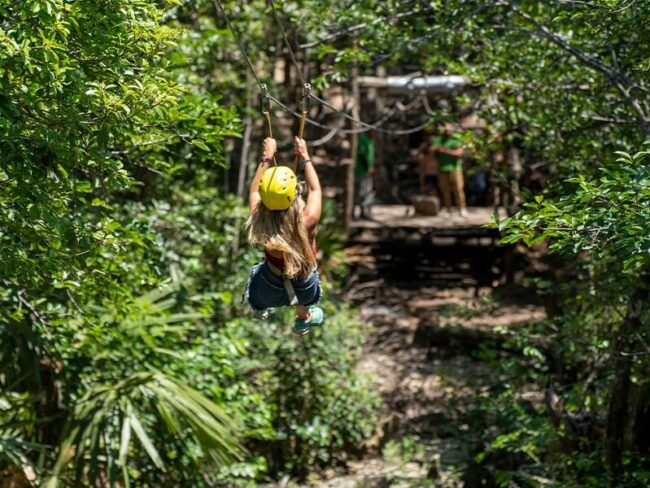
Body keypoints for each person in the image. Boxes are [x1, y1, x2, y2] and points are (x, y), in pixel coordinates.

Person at [244, 136, 324, 336]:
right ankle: (303, 319)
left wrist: (267, 157)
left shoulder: (259, 219)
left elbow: (253, 190)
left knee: (261, 280)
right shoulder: (308, 220)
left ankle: (260, 307)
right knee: (303, 284)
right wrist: (305, 156)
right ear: (295, 192)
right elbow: (315, 189)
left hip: (268, 287)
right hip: (304, 287)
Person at [432, 126, 467, 217]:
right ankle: (447, 208)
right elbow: (432, 150)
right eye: (446, 129)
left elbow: (460, 153)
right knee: (444, 189)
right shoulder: (439, 139)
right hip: (442, 168)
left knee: (458, 189)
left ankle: (461, 208)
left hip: (455, 168)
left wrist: (446, 151)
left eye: (449, 129)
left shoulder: (457, 139)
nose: (448, 131)